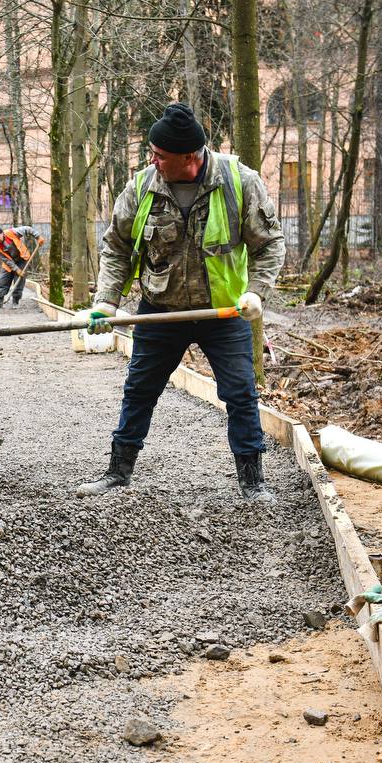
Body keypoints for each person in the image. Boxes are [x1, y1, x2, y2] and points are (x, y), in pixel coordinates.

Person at [76, 102, 285, 502]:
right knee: (139, 389)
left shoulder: (238, 182)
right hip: (161, 311)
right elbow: (117, 247)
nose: (152, 161)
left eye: (160, 155)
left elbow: (270, 243)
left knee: (241, 393)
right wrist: (106, 302)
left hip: (224, 311)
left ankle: (253, 482)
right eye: (152, 153)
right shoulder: (142, 187)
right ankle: (118, 472)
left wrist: (256, 291)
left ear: (190, 157)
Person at [0, 224, 44, 309]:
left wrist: (38, 237)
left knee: (19, 280)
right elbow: (6, 260)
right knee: (2, 280)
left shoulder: (12, 232)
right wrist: (16, 269)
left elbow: (27, 229)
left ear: (1, 233)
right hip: (9, 262)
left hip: (22, 259)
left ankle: (15, 301)